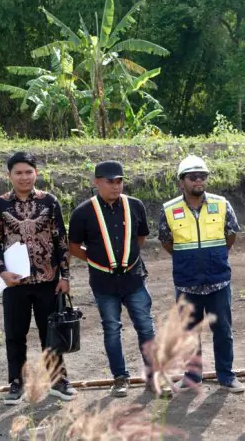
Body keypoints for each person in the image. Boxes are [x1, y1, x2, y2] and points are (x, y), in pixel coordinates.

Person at [0, 151, 76, 405]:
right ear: (9, 175)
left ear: (36, 173)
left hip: (49, 281)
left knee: (52, 333)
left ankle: (58, 381)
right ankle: (16, 383)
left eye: (28, 172)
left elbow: (61, 241)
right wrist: (3, 272)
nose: (24, 177)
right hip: (15, 283)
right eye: (18, 173)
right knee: (15, 334)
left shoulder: (50, 202)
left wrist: (64, 275)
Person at [68, 160, 159, 398]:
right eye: (110, 182)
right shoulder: (83, 212)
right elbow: (74, 246)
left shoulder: (135, 206)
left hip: (134, 279)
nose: (115, 186)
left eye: (119, 181)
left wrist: (128, 260)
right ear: (96, 182)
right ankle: (120, 377)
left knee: (146, 327)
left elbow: (140, 238)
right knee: (111, 329)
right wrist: (97, 259)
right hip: (104, 282)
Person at [158, 155, 245, 393]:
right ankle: (192, 376)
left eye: (203, 176)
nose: (199, 180)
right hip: (187, 284)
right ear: (181, 182)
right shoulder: (169, 210)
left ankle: (226, 376)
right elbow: (167, 241)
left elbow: (231, 235)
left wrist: (216, 256)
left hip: (218, 281)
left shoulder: (221, 204)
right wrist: (186, 259)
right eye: (192, 177)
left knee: (223, 330)